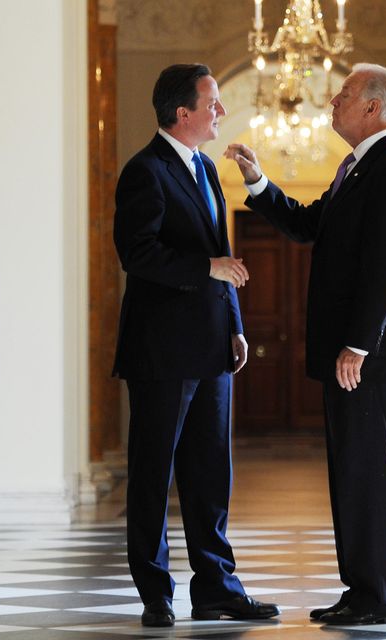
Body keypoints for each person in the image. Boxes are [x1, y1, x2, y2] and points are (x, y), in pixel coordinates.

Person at [225, 62, 386, 625]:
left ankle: (381, 598)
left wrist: (357, 346)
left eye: (344, 95)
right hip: (353, 354)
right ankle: (362, 590)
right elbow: (310, 225)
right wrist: (258, 183)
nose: (332, 102)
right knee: (350, 472)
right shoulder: (356, 168)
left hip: (371, 358)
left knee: (370, 476)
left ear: (373, 109)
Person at [113, 63, 280, 628]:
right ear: (182, 113)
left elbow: (221, 249)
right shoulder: (145, 171)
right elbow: (137, 254)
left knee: (211, 473)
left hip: (212, 346)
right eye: (212, 103)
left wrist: (234, 323)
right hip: (161, 350)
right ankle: (154, 593)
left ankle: (216, 588)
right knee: (154, 471)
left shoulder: (207, 168)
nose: (220, 111)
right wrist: (206, 269)